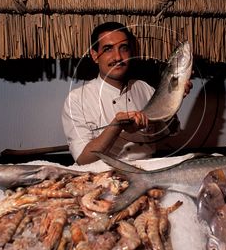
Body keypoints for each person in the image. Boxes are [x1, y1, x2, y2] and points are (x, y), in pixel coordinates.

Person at [62, 22, 192, 165]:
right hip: (103, 176)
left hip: (148, 170)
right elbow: (83, 159)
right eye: (108, 49)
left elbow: (170, 132)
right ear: (94, 55)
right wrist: (116, 126)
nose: (118, 57)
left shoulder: (143, 87)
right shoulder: (76, 99)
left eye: (123, 48)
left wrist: (174, 98)